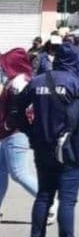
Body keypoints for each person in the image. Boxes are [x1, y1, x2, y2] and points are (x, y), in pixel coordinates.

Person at [13, 42, 79, 237]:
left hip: (42, 146)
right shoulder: (77, 83)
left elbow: (17, 108)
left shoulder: (37, 81)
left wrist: (30, 131)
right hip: (71, 148)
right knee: (67, 200)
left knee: (44, 195)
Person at [0, 48, 44, 223]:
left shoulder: (19, 82)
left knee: (19, 173)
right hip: (8, 134)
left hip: (15, 134)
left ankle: (49, 202)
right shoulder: (18, 80)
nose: (2, 68)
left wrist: (7, 124)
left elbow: (18, 110)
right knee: (1, 173)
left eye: (5, 65)